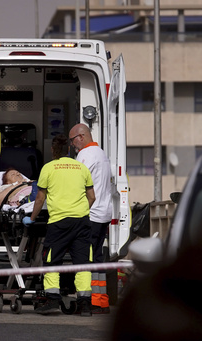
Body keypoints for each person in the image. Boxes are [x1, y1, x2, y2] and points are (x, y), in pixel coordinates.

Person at [23, 134, 95, 316]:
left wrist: (32, 218)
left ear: (53, 151)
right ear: (69, 150)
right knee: (83, 263)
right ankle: (85, 304)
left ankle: (53, 299)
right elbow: (92, 197)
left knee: (52, 260)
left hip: (59, 223)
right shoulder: (81, 168)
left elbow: (40, 198)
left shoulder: (48, 168)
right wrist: (80, 211)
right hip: (81, 222)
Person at [70, 123, 113, 314]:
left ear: (81, 136)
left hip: (91, 214)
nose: (72, 145)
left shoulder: (85, 155)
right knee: (97, 259)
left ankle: (89, 301)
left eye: (73, 140)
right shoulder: (101, 153)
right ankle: (101, 301)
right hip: (103, 214)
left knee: (85, 259)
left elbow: (76, 183)